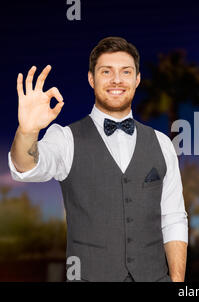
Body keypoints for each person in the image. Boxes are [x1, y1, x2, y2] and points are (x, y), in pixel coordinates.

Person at [8, 36, 188, 282]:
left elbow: (173, 217)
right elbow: (26, 166)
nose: (116, 80)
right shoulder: (65, 139)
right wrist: (27, 131)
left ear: (137, 80)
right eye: (106, 71)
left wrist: (177, 282)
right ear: (92, 79)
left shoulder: (162, 143)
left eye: (126, 72)